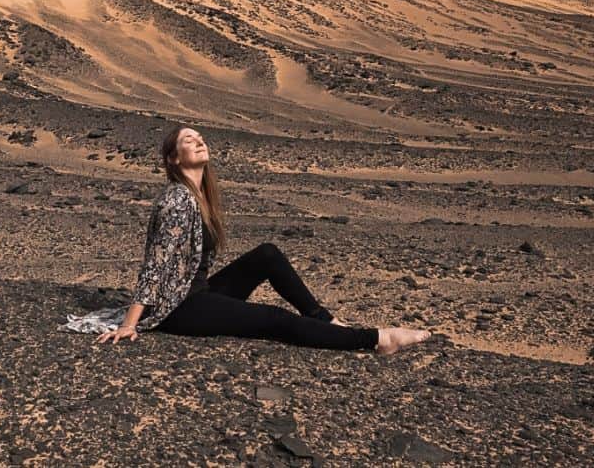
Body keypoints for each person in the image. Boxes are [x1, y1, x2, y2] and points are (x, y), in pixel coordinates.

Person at [96, 124, 431, 354]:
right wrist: (130, 324)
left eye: (200, 137)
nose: (199, 141)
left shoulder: (201, 196)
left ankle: (325, 321)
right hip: (178, 308)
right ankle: (378, 339)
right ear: (173, 158)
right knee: (274, 319)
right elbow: (156, 263)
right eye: (188, 140)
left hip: (198, 292)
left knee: (267, 255)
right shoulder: (177, 199)